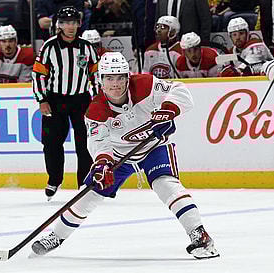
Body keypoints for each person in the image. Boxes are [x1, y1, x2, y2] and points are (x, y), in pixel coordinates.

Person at [30, 51, 220, 260]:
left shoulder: (146, 84)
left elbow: (180, 91)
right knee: (89, 194)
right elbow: (98, 143)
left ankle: (200, 235)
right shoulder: (95, 111)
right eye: (109, 78)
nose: (115, 84)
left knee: (165, 184)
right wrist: (102, 165)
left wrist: (168, 110)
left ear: (127, 77)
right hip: (119, 156)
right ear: (101, 81)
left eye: (120, 77)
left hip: (154, 147)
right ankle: (56, 237)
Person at [32, 6, 99, 201]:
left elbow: (94, 75)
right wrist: (42, 99)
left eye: (73, 22)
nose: (70, 27)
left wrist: (96, 100)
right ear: (59, 25)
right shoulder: (49, 47)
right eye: (65, 23)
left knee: (85, 144)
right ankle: (54, 179)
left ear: (79, 24)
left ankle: (84, 184)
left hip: (81, 100)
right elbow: (38, 75)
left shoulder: (87, 47)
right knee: (51, 142)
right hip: (55, 100)